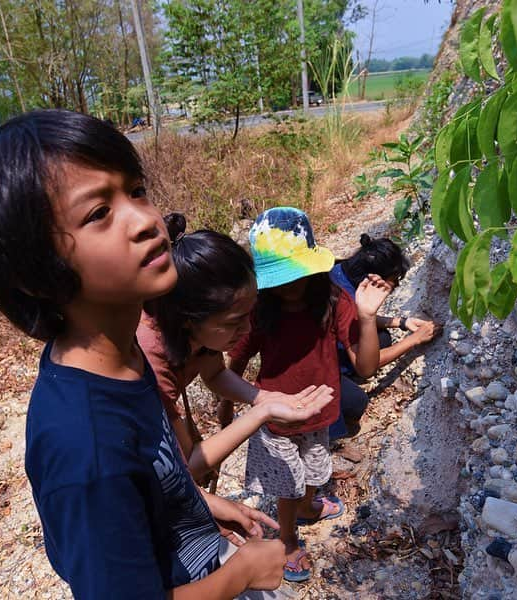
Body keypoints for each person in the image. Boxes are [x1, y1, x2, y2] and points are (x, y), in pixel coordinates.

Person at [0, 109, 287, 599]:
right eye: (98, 214)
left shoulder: (125, 357)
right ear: (35, 270)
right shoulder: (85, 449)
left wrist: (200, 502)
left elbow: (157, 469)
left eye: (136, 190)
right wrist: (243, 572)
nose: (147, 221)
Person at [225, 207, 392, 583]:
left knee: (316, 469)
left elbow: (365, 368)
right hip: (276, 417)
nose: (289, 285)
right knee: (287, 483)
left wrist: (367, 318)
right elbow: (233, 363)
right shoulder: (259, 311)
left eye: (296, 273)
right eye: (279, 277)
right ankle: (286, 538)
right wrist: (227, 407)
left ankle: (308, 506)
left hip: (321, 411)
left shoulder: (332, 300)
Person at [139, 213, 334, 481]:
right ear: (188, 319)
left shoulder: (199, 330)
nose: (248, 330)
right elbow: (190, 463)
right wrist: (261, 413)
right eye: (236, 321)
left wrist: (261, 397)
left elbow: (215, 373)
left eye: (248, 314)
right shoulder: (149, 360)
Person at [328, 234, 439, 446]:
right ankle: (331, 436)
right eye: (393, 283)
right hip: (316, 371)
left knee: (382, 338)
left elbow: (354, 318)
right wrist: (414, 339)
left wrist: (401, 322)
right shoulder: (346, 301)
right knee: (355, 403)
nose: (392, 288)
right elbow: (366, 367)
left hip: (327, 343)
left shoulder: (339, 270)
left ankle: (343, 375)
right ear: (374, 279)